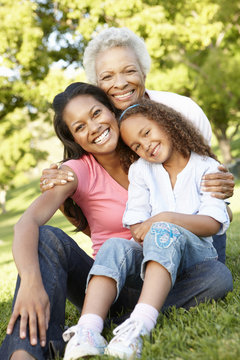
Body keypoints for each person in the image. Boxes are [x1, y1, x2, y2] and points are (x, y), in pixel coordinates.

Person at [41, 26, 234, 263]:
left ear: (144, 71)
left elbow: (219, 201)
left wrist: (221, 188)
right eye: (107, 76)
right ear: (96, 85)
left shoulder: (183, 111)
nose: (120, 83)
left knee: (212, 272)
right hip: (143, 244)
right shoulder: (102, 129)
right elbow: (87, 203)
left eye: (129, 71)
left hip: (197, 236)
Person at [61, 98, 230, 360]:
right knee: (116, 245)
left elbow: (212, 223)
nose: (146, 146)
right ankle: (89, 329)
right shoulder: (141, 171)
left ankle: (138, 326)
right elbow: (137, 227)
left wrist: (164, 219)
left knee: (215, 274)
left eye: (147, 133)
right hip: (154, 257)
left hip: (196, 259)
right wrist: (155, 227)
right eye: (136, 146)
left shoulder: (206, 167)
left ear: (167, 123)